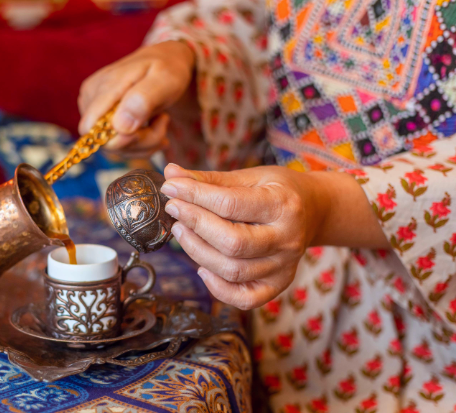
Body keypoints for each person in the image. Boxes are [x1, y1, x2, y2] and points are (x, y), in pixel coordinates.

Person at [78, 1, 456, 411]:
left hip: (431, 323)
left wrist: (326, 205)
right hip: (281, 309)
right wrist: (185, 59)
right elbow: (259, 24)